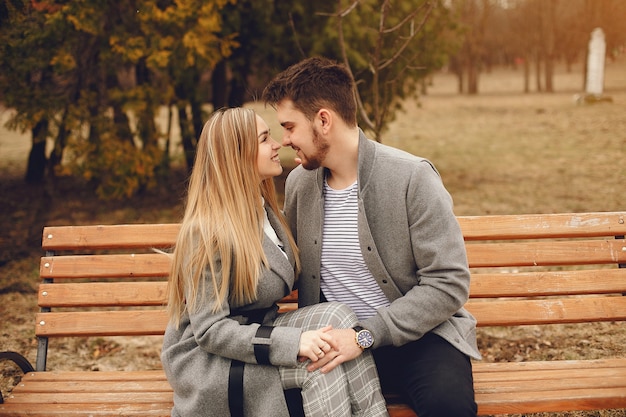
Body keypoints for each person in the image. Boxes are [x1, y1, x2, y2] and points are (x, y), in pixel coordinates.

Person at [262, 57, 481, 417]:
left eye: (289, 127)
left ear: (323, 120)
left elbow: (448, 283)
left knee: (449, 407)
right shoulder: (301, 184)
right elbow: (283, 267)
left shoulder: (412, 178)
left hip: (420, 340)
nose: (285, 141)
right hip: (334, 345)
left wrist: (364, 335)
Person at [161, 107, 388, 417]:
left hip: (257, 330)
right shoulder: (208, 231)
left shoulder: (264, 209)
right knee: (320, 366)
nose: (277, 144)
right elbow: (210, 331)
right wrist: (293, 343)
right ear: (238, 155)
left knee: (338, 321)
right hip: (210, 359)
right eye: (265, 139)